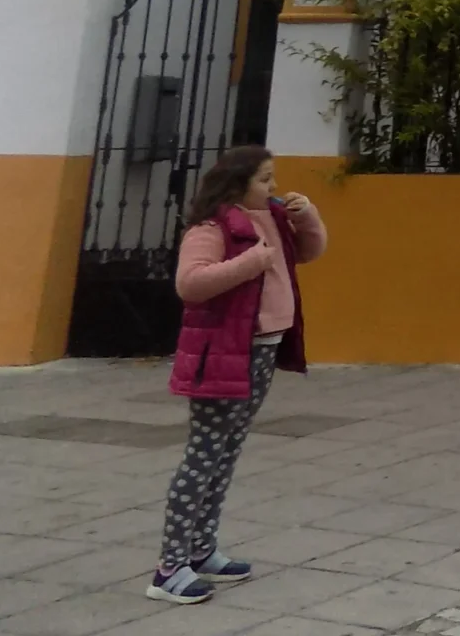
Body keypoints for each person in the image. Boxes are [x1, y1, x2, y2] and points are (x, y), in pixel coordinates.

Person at [150, 145, 327, 605]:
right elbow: (191, 283)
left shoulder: (269, 217)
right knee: (204, 454)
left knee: (228, 451)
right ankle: (170, 567)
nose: (273, 187)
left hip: (264, 348)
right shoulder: (212, 228)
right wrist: (253, 261)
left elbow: (308, 252)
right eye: (264, 179)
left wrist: (306, 216)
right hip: (227, 351)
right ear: (237, 183)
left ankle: (202, 549)